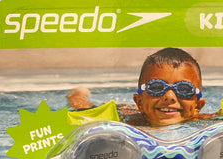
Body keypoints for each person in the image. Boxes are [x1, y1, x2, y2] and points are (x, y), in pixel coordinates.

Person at [67, 48, 211, 126]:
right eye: (156, 87)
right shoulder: (127, 121)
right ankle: (77, 95)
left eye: (184, 89)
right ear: (139, 102)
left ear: (198, 106)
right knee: (85, 108)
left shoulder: (205, 122)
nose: (169, 97)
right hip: (125, 112)